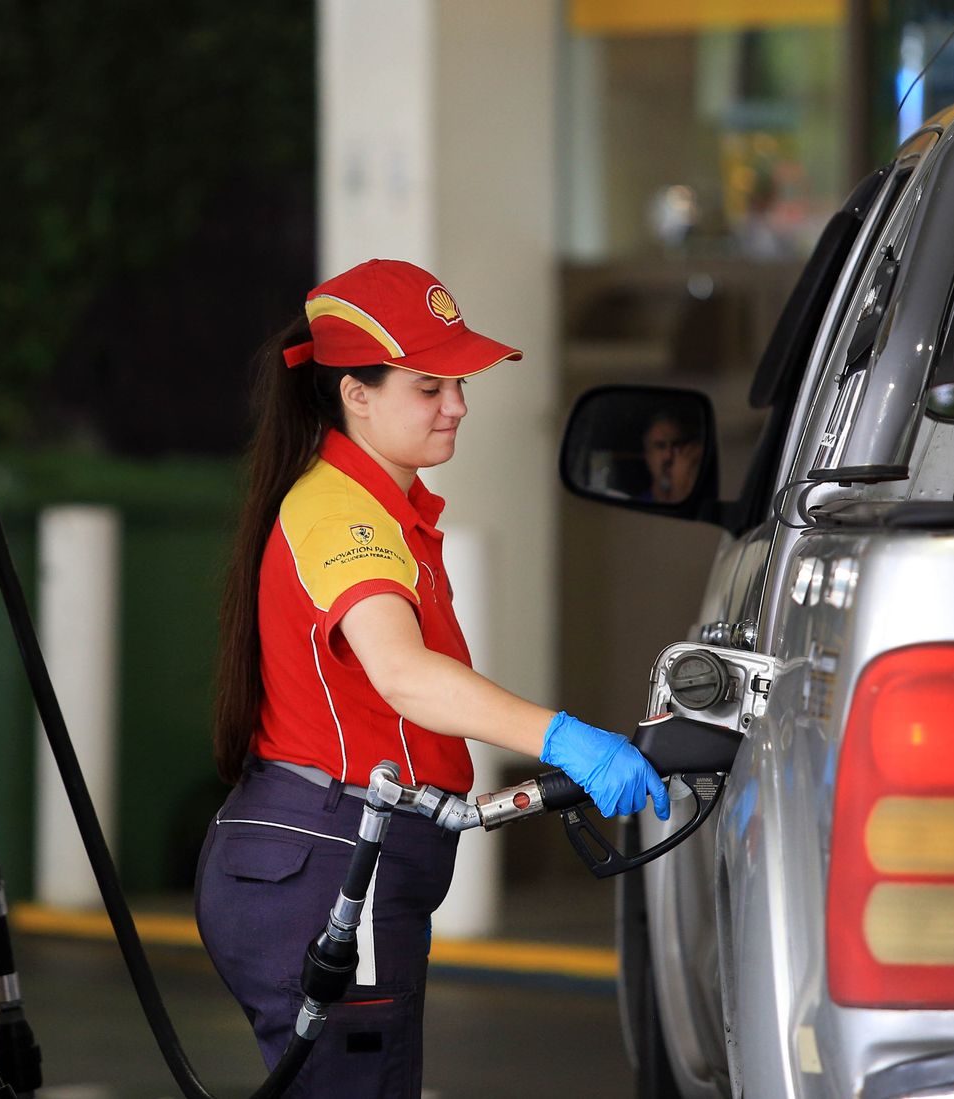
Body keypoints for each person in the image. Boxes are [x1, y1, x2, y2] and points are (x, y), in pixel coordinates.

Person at [195, 258, 669, 1098]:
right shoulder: (341, 509)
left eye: (458, 382)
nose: (456, 404)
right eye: (429, 385)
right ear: (357, 393)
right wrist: (565, 739)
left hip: (336, 858)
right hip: (331, 863)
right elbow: (407, 676)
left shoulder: (381, 506)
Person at [640, 407, 705, 504]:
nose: (668, 456)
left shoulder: (702, 501)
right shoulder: (637, 505)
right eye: (660, 446)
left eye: (676, 444)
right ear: (647, 456)